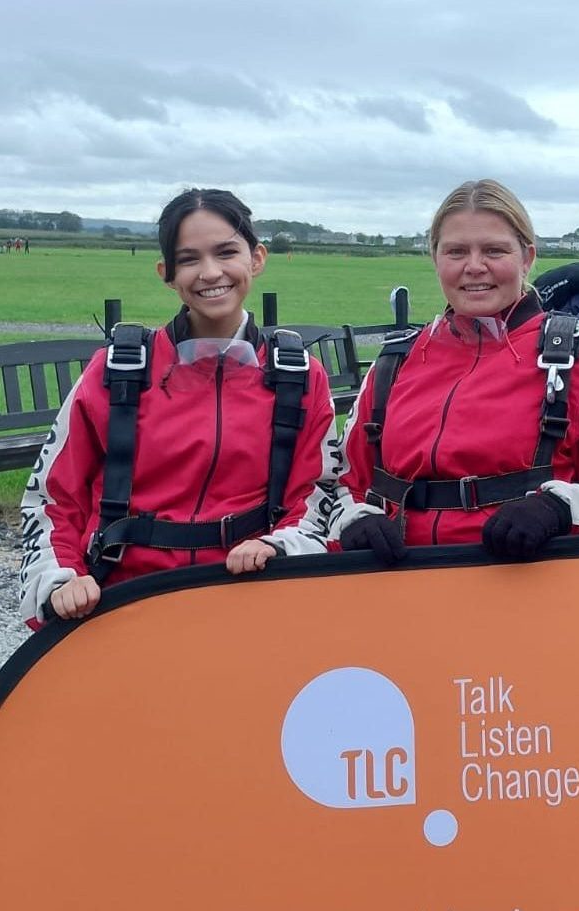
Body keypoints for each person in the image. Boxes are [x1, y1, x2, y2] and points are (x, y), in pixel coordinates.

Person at [19, 188, 339, 627]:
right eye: (189, 259)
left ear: (257, 258)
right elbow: (53, 496)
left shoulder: (299, 377)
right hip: (121, 600)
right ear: (166, 274)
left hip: (249, 600)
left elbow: (318, 491)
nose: (210, 273)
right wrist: (62, 580)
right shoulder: (117, 372)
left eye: (226, 252)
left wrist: (280, 545)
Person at [330, 178, 579, 563]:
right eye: (456, 252)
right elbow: (336, 486)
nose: (474, 266)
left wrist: (562, 509)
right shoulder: (393, 363)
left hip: (532, 598)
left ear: (527, 258)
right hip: (401, 594)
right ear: (435, 259)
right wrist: (353, 519)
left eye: (494, 250)